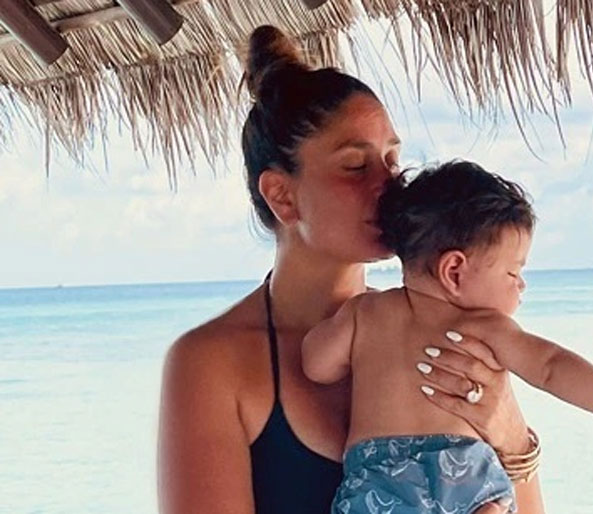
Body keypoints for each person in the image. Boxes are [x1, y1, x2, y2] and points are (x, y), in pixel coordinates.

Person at [157, 26, 545, 514]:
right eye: (356, 167)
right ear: (282, 195)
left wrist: (511, 436)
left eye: (392, 160)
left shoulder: (443, 319)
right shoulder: (212, 363)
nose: (390, 184)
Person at [302, 161, 593, 513]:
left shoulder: (366, 312)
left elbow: (316, 366)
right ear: (454, 271)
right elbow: (553, 368)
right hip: (462, 484)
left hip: (379, 486)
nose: (521, 285)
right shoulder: (486, 329)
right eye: (513, 272)